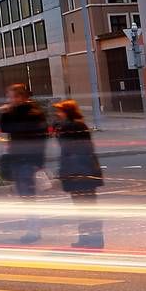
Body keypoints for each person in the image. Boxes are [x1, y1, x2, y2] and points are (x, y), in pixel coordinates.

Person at [0, 83, 50, 243]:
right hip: (18, 159)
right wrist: (5, 113)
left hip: (28, 160)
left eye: (12, 97)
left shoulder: (32, 113)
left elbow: (41, 139)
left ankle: (33, 230)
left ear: (20, 97)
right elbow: (4, 128)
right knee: (24, 195)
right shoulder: (16, 112)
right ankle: (33, 228)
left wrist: (38, 163)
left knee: (28, 196)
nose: (9, 100)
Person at [53, 99, 105, 248]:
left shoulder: (74, 126)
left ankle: (93, 239)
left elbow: (69, 148)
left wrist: (59, 131)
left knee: (86, 207)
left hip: (80, 172)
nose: (58, 114)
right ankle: (88, 238)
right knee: (85, 207)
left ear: (67, 112)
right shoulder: (76, 125)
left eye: (60, 111)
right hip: (82, 170)